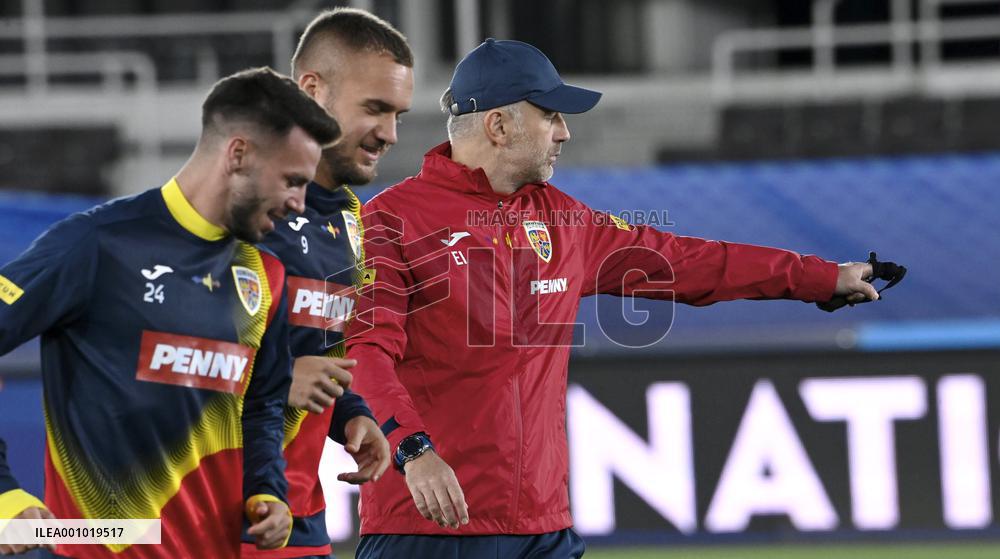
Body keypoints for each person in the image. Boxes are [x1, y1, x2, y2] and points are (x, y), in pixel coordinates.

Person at [345, 39, 882, 559]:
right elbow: (365, 352)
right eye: (550, 116)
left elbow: (689, 262)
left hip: (543, 526)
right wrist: (412, 451)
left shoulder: (565, 221)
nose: (565, 133)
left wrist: (820, 278)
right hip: (430, 526)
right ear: (499, 125)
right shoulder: (391, 221)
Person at [0, 67, 340, 558]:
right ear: (238, 154)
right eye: (292, 181)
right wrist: (5, 490)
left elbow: (263, 403)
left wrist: (267, 490)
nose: (300, 203)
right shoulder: (96, 245)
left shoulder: (266, 275)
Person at [238, 8, 414, 559]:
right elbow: (144, 359)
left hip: (300, 514)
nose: (388, 133)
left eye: (398, 114)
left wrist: (351, 414)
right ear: (312, 90)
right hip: (216, 511)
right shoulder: (233, 204)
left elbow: (315, 354)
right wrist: (276, 377)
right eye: (375, 109)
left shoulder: (347, 218)